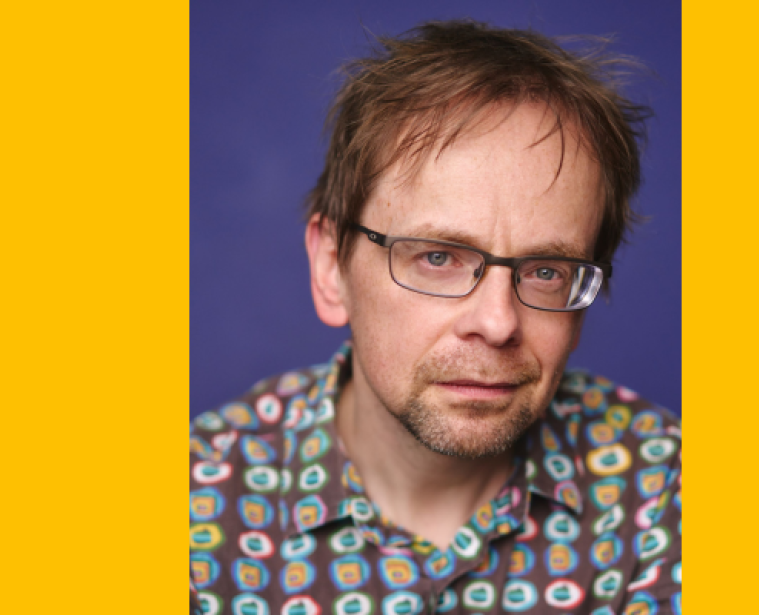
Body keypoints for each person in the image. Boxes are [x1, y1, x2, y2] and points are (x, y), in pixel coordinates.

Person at [190, 20, 681, 615]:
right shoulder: (196, 509)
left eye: (547, 270)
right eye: (439, 257)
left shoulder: (665, 493)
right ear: (330, 266)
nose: (498, 322)